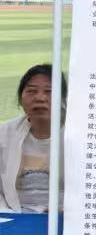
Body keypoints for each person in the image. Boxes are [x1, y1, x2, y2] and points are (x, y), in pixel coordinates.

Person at [1, 65, 61, 214]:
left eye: (49, 91)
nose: (40, 98)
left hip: (66, 217)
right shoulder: (4, 133)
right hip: (14, 215)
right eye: (31, 91)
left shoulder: (82, 136)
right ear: (20, 99)